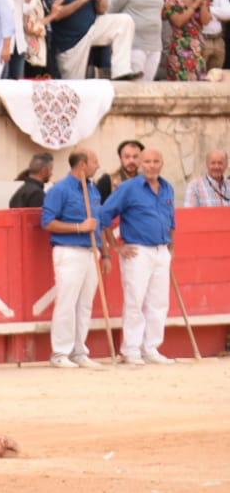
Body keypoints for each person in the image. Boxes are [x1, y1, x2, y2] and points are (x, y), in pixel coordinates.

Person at [97, 147, 175, 367]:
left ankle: (151, 347)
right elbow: (104, 213)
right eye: (147, 161)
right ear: (141, 164)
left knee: (159, 302)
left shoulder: (167, 187)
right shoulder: (129, 188)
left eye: (155, 161)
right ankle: (131, 349)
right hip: (137, 250)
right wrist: (116, 246)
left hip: (161, 249)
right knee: (135, 301)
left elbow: (172, 220)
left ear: (162, 163)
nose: (151, 165)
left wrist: (172, 248)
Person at [41, 148, 110, 370]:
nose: (98, 166)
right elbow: (47, 222)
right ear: (82, 165)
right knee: (67, 302)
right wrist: (80, 227)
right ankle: (60, 352)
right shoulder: (59, 189)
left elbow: (100, 223)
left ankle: (79, 351)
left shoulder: (93, 189)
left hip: (91, 252)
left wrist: (105, 252)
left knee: (84, 304)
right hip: (69, 250)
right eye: (95, 161)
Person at [110, 0, 167, 80]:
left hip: (155, 44)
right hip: (134, 44)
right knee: (135, 85)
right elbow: (111, 10)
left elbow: (158, 11)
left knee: (148, 86)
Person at [162, 0, 211, 81]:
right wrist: (196, 3)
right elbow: (179, 22)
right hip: (180, 50)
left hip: (198, 49)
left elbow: (205, 21)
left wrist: (203, 4)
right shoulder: (171, 0)